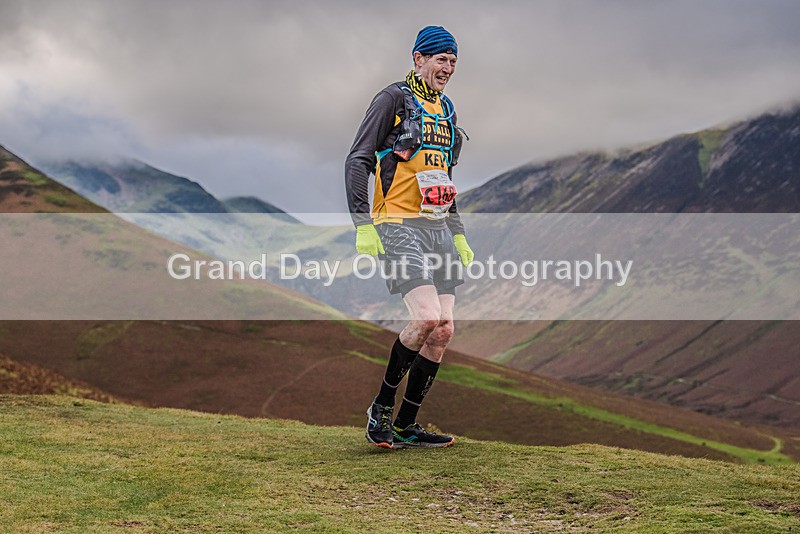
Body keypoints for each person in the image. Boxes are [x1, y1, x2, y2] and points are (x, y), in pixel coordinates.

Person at [345, 25, 474, 449]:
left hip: (438, 228)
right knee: (425, 318)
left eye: (453, 61)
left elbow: (445, 177)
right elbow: (358, 158)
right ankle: (380, 409)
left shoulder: (447, 108)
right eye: (441, 59)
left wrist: (458, 234)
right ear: (418, 58)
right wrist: (363, 224)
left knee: (444, 329)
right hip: (398, 226)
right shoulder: (392, 99)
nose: (448, 68)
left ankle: (406, 425)